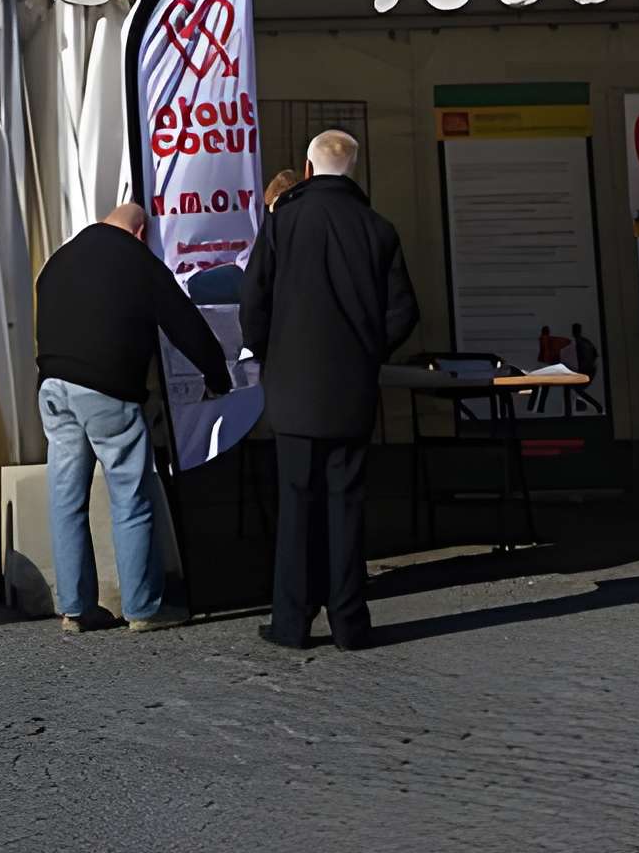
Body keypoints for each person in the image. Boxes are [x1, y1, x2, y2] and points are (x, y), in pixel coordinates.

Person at [239, 129, 416, 653]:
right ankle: (349, 622)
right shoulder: (378, 229)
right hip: (351, 387)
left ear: (308, 169)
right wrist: (368, 351)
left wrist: (268, 351)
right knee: (347, 503)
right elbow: (404, 311)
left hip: (293, 385)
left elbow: (254, 300)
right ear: (352, 169)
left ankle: (291, 622)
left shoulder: (282, 222)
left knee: (296, 503)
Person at [33, 202, 230, 634]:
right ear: (141, 234)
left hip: (53, 387)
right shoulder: (136, 259)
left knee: (66, 498)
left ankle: (76, 609)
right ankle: (143, 607)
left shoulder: (60, 258)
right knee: (131, 495)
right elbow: (185, 323)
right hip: (107, 390)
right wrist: (219, 376)